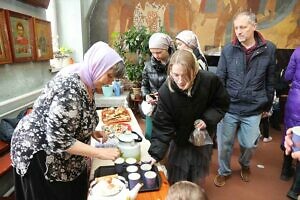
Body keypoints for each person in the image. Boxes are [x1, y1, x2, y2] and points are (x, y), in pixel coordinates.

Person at [10, 41, 124, 200]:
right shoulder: (70, 87)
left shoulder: (88, 82)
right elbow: (59, 140)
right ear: (96, 66)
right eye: (109, 76)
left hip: (57, 147)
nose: (110, 82)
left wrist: (91, 131)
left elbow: (75, 117)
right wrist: (99, 152)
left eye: (114, 78)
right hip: (39, 151)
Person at [148, 49, 230, 186]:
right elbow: (163, 126)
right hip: (179, 139)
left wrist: (207, 119)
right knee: (177, 172)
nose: (180, 81)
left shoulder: (209, 81)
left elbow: (221, 103)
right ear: (170, 72)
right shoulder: (166, 91)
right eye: (175, 75)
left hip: (201, 138)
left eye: (185, 75)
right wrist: (156, 154)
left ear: (195, 70)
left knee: (197, 171)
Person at [214, 11, 276, 187]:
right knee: (224, 144)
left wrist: (268, 104)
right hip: (229, 107)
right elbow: (220, 79)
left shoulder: (269, 49)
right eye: (236, 28)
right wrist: (220, 104)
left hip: (254, 107)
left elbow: (270, 80)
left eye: (243, 27)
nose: (238, 31)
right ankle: (224, 171)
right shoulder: (228, 50)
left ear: (254, 26)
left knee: (249, 144)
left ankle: (245, 164)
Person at [141, 32, 175, 139]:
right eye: (153, 52)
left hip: (171, 109)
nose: (156, 56)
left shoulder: (177, 64)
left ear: (168, 48)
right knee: (150, 136)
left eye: (159, 52)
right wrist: (146, 95)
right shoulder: (148, 66)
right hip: (153, 108)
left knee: (170, 139)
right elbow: (144, 85)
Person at [281, 47, 300, 199]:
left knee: (291, 133)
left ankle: (285, 171)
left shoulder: (298, 51)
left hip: (295, 100)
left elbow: (287, 76)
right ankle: (295, 189)